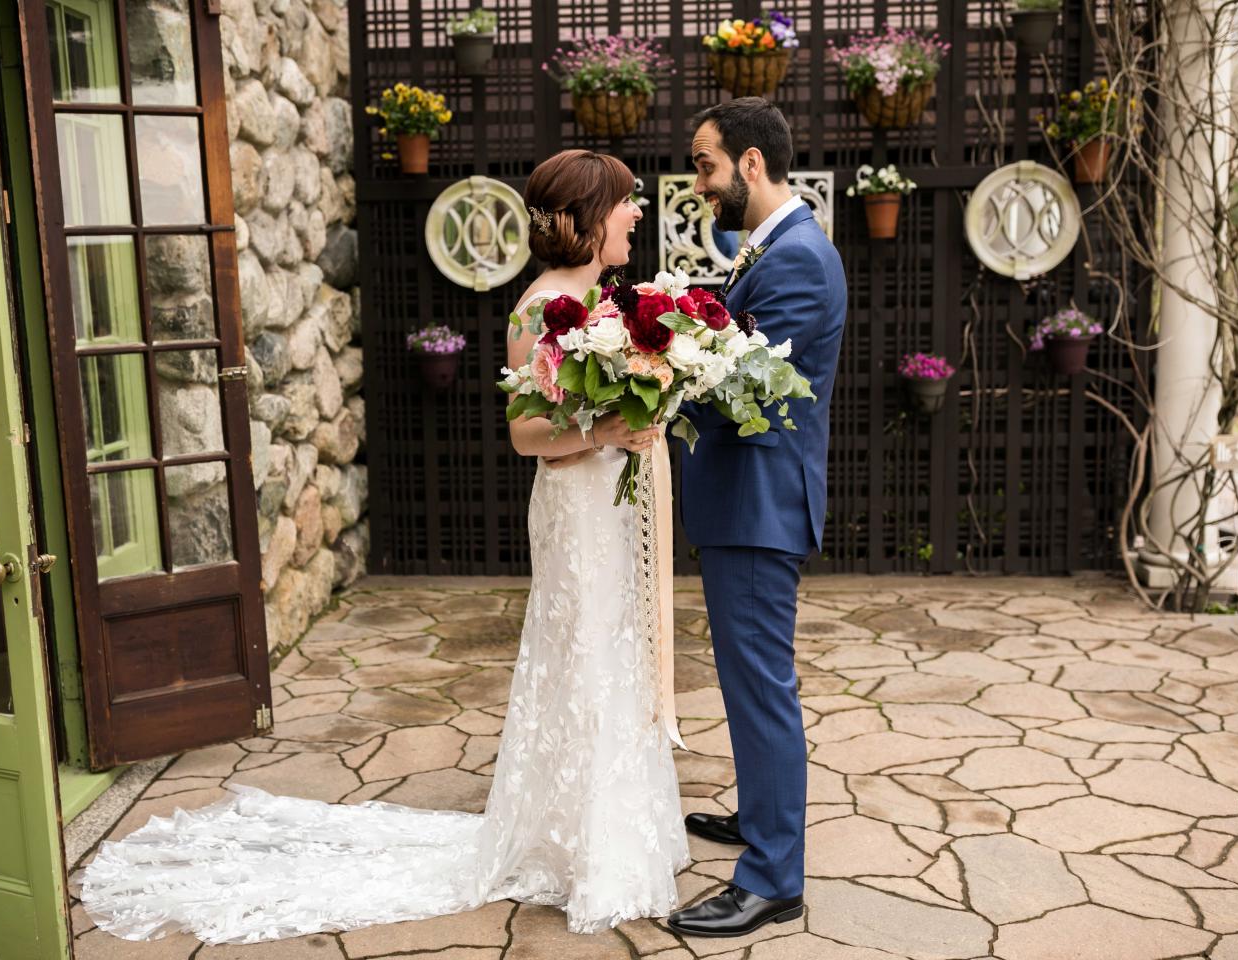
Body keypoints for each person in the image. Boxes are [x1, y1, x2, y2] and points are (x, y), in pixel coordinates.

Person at [72, 149, 690, 945]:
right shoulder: (538, 313)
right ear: (586, 215)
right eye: (626, 204)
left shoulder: (608, 303)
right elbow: (528, 434)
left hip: (609, 501)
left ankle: (605, 832)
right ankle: (586, 850)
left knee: (615, 652)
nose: (636, 215)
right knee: (583, 655)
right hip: (573, 510)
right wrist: (606, 427)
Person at [668, 98, 847, 939]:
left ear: (748, 163)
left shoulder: (801, 260)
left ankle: (773, 876)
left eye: (704, 165)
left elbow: (744, 392)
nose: (699, 183)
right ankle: (760, 818)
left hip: (759, 505)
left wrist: (654, 381)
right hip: (743, 502)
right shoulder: (766, 249)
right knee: (748, 687)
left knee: (761, 689)